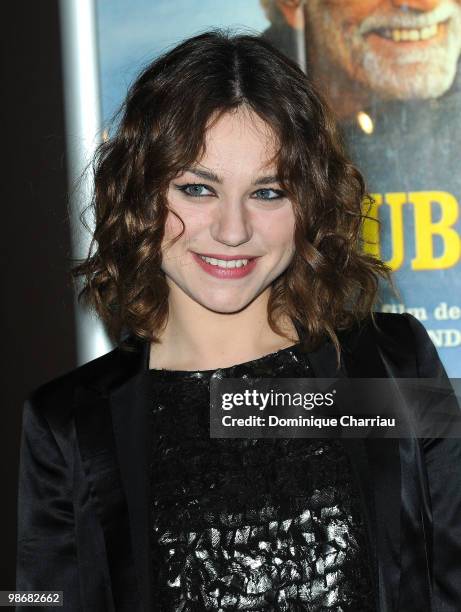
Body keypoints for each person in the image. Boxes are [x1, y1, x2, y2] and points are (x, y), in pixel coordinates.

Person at [16, 31, 461, 612]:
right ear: (142, 195)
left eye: (268, 192)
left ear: (310, 204)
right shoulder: (74, 421)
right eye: (198, 188)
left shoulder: (391, 365)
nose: (233, 230)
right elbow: (38, 597)